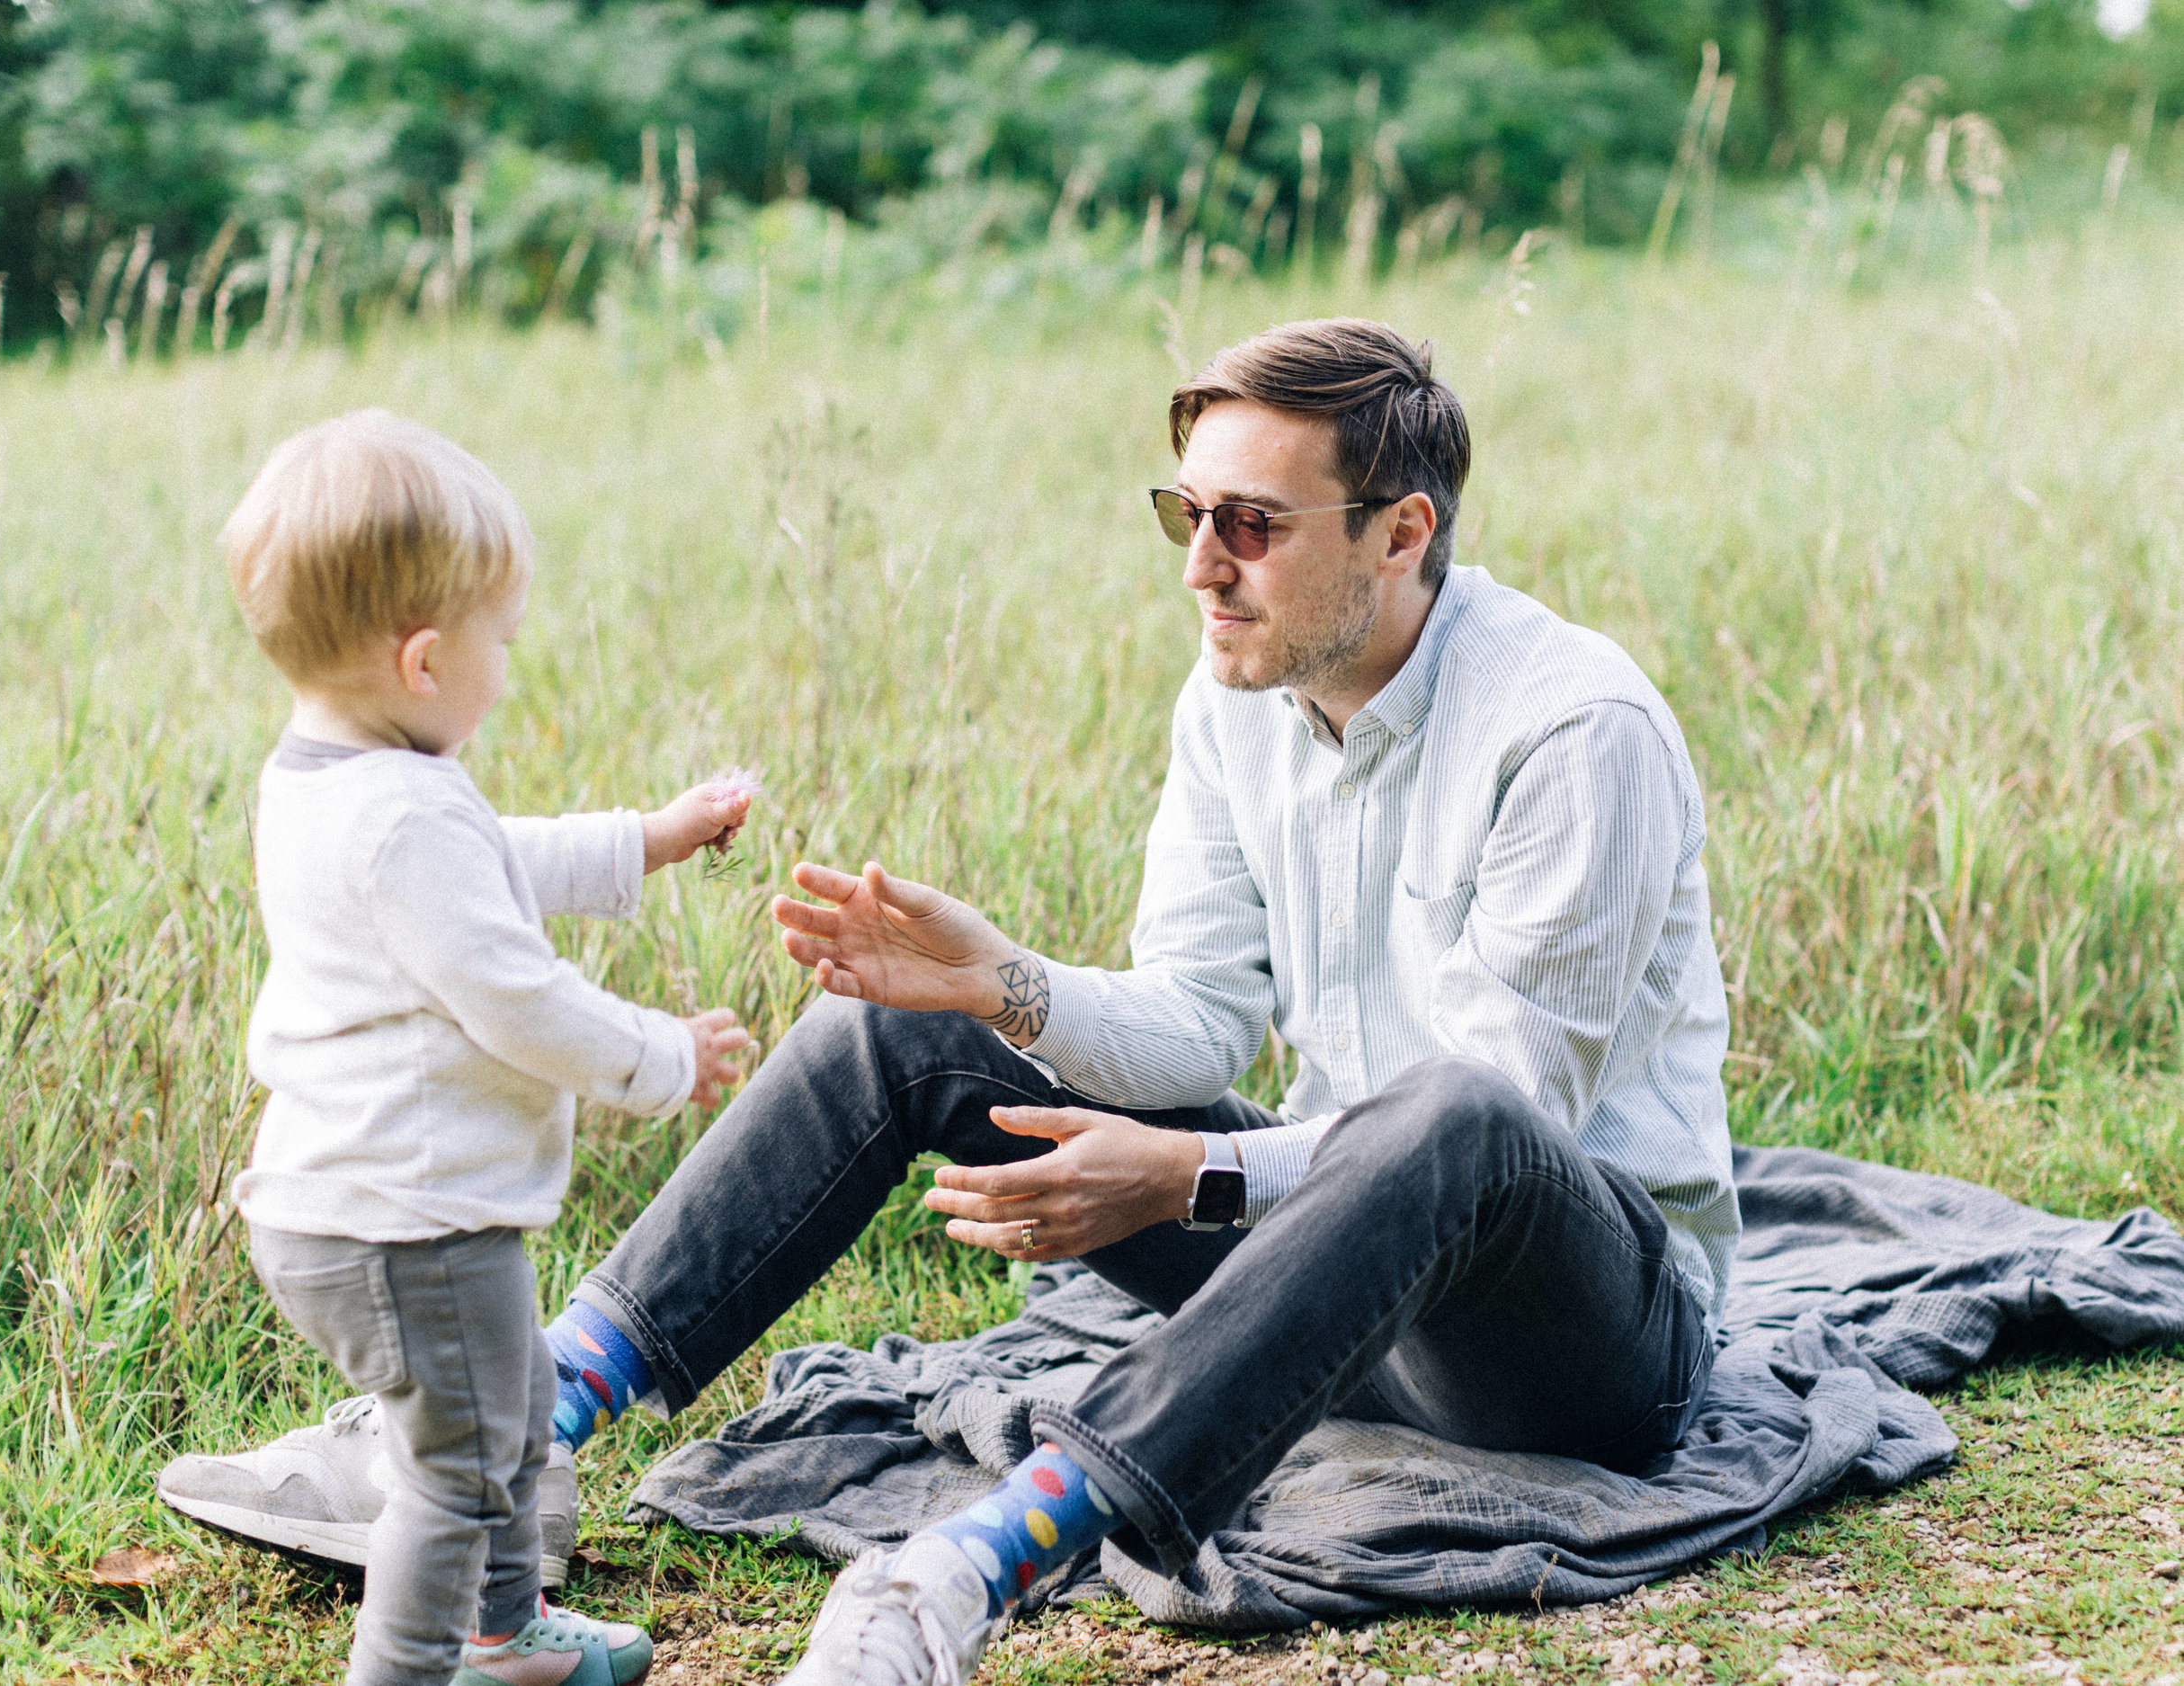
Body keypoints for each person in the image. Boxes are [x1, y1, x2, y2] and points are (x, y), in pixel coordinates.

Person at [166, 321, 1737, 1686]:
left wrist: (1189, 1174)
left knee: (1452, 1112)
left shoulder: (1569, 730)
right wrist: (998, 986)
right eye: (1184, 514)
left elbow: (1501, 1116)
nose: (1200, 566)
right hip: (1327, 1266)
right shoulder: (1239, 693)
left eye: (1250, 524)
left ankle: (966, 1572)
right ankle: (526, 1438)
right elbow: (1200, 1022)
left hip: (1581, 1352)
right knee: (907, 1021)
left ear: (1403, 532)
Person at [206, 409, 755, 1686]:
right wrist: (661, 1056)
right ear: (422, 660)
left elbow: (493, 858)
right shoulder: (398, 821)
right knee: (451, 1473)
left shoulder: (339, 779)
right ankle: (410, 1669)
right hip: (401, 1227)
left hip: (391, 1206)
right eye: (499, 640)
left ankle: (507, 1637)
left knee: (507, 1425)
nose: (508, 664)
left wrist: (648, 838)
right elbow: (516, 995)